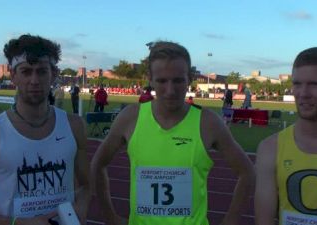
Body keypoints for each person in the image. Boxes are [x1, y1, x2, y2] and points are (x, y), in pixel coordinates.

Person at [91, 41, 254, 225]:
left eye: (178, 80)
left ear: (189, 78)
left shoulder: (208, 123)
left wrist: (230, 221)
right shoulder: (130, 118)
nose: (170, 91)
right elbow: (98, 164)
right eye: (162, 81)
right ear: (150, 79)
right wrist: (109, 217)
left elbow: (247, 172)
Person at [0, 34, 91, 225]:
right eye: (26, 71)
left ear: (54, 74)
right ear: (13, 76)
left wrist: (81, 207)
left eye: (41, 71)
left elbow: (86, 185)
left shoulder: (74, 126)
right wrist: (18, 223)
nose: (34, 80)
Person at [255, 47, 317, 225]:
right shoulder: (270, 148)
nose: (303, 93)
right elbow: (264, 220)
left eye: (314, 84)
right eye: (297, 84)